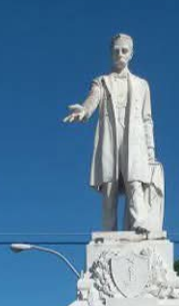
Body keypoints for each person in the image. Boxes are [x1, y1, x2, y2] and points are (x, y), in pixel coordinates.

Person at [64, 33, 162, 233]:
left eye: (124, 50)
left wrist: (150, 150)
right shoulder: (101, 81)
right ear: (111, 53)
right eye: (116, 50)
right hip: (110, 138)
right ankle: (108, 232)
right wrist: (84, 111)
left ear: (131, 53)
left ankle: (139, 223)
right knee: (109, 188)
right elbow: (93, 99)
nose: (120, 54)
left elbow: (147, 119)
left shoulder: (142, 85)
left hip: (134, 140)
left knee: (135, 182)